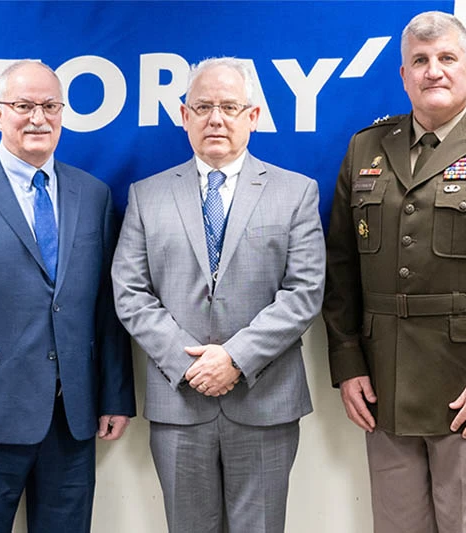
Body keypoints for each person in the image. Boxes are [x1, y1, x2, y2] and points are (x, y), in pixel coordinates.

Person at [324, 11, 466, 533]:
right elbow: (340, 267)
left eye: (447, 58)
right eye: (420, 61)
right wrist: (348, 363)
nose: (433, 71)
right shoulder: (366, 147)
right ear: (404, 75)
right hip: (385, 389)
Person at [0, 60, 136, 533]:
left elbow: (107, 308)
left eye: (50, 106)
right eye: (23, 106)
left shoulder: (93, 195)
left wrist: (115, 395)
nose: (38, 118)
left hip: (72, 417)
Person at [112, 57, 325, 533]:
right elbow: (130, 292)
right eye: (203, 107)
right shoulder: (146, 196)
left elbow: (304, 293)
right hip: (180, 403)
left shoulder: (296, 193)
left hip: (265, 401)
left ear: (253, 116)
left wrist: (235, 358)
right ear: (184, 116)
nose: (216, 119)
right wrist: (190, 364)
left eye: (230, 107)